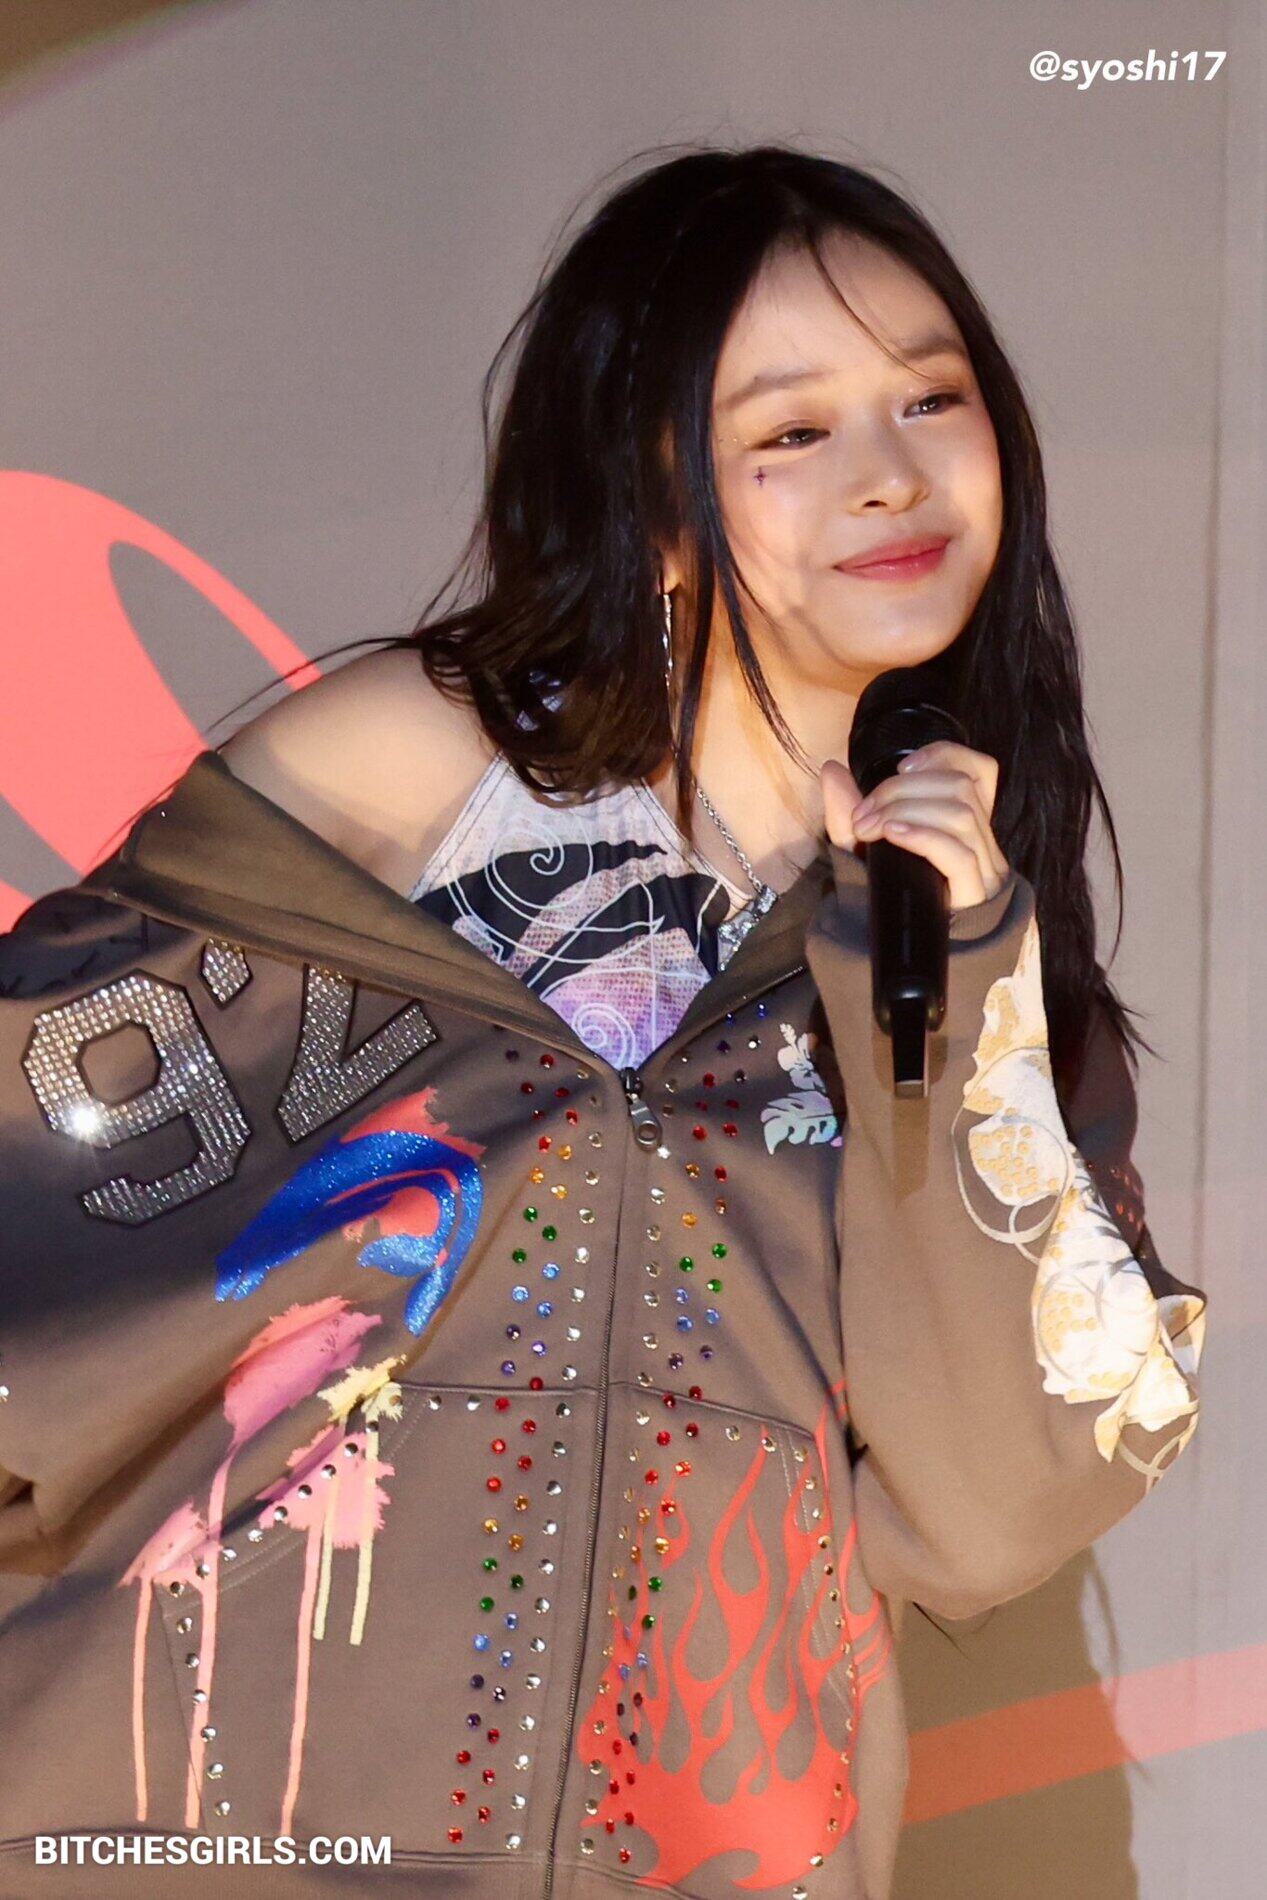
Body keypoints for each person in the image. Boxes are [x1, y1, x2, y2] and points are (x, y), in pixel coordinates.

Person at [0, 144, 1205, 1900]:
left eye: (932, 399)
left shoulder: (963, 937)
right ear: (652, 478)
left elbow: (987, 1513)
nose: (890, 473)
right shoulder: (412, 779)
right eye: (794, 429)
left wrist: (952, 994)